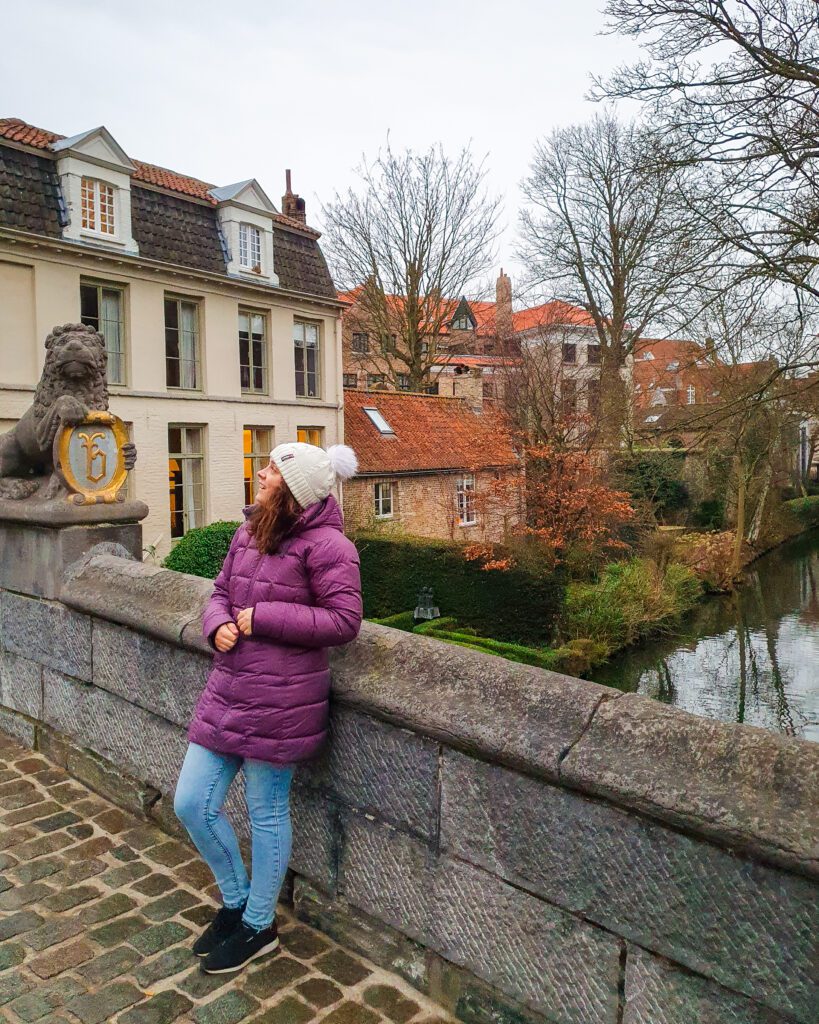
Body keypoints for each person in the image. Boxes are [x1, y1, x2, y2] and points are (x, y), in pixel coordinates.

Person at [174, 441, 362, 975]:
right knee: (191, 803)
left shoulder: (329, 546)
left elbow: (344, 622)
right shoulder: (248, 531)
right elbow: (218, 592)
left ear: (295, 487)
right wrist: (218, 624)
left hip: (281, 701)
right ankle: (235, 901)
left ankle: (259, 925)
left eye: (274, 467)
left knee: (267, 814)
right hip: (230, 689)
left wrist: (264, 617)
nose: (262, 471)